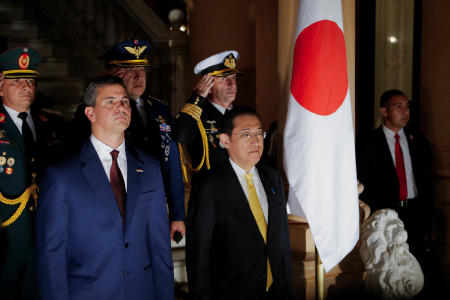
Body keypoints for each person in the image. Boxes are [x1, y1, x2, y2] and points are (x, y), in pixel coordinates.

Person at [36, 76, 174, 300]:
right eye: (110, 102)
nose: (121, 106)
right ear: (90, 113)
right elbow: (52, 256)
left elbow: (160, 247)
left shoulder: (149, 168)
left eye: (125, 101)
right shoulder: (62, 174)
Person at [71, 38, 185, 241]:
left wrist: (177, 213)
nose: (138, 76)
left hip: (156, 202)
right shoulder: (102, 111)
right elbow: (79, 135)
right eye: (129, 70)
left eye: (142, 69)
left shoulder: (159, 109)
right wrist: (101, 87)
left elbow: (172, 163)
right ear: (114, 75)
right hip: (117, 203)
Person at [186, 107, 292, 300]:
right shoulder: (209, 187)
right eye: (246, 134)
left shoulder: (272, 178)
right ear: (225, 140)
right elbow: (198, 256)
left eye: (259, 133)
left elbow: (282, 240)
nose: (256, 140)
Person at [0, 47, 66, 300]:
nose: (26, 86)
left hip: (46, 238)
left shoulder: (53, 125)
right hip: (8, 242)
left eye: (30, 81)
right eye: (16, 81)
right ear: (1, 86)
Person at [356, 89, 435, 291]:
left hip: (415, 212)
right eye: (398, 106)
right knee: (391, 274)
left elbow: (426, 182)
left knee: (416, 270)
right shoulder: (368, 143)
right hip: (387, 215)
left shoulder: (419, 142)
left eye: (407, 106)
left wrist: (429, 220)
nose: (405, 111)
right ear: (384, 111)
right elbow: (363, 182)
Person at [174, 50, 241, 180]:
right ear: (208, 86)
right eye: (224, 79)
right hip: (209, 193)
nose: (231, 84)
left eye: (233, 78)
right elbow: (180, 135)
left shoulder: (243, 115)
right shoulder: (197, 116)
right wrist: (197, 97)